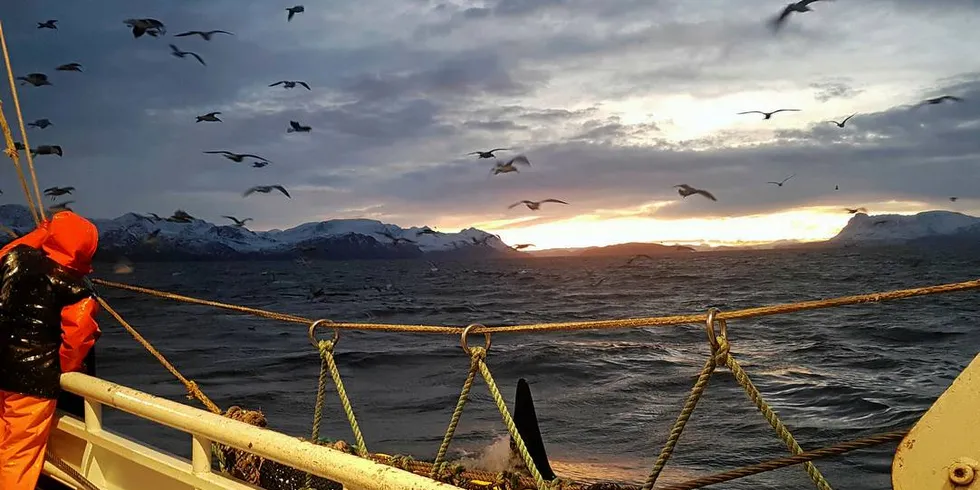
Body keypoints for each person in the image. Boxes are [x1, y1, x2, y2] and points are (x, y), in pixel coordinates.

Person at [0, 210, 101, 490]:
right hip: (31, 383)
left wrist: (44, 232)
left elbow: (9, 250)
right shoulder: (77, 290)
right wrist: (64, 368)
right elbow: (78, 338)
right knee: (18, 454)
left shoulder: (13, 259)